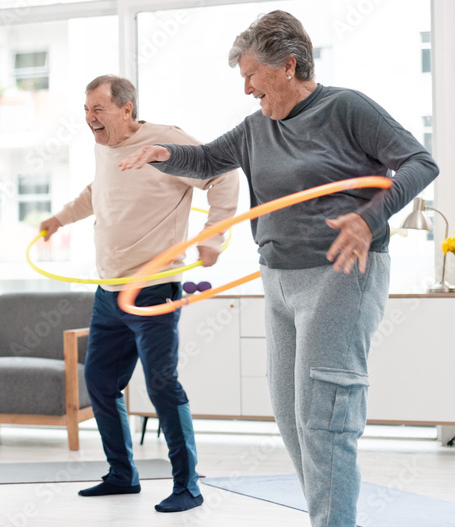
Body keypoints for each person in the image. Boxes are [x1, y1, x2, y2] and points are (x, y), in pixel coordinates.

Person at [118, 10, 438, 526]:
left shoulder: (347, 108)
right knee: (293, 420)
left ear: (288, 66)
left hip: (340, 274)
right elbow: (204, 162)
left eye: (251, 76)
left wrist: (368, 216)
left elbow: (421, 162)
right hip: (278, 280)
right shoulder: (255, 128)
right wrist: (161, 153)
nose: (246, 89)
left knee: (326, 419)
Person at [38, 75, 239, 513]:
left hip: (153, 287)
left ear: (126, 109)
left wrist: (212, 237)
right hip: (110, 290)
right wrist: (58, 220)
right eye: (86, 109)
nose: (90, 118)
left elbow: (222, 173)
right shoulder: (104, 146)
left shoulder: (166, 142)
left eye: (99, 109)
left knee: (162, 384)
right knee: (100, 382)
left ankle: (187, 485)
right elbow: (100, 192)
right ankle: (122, 474)